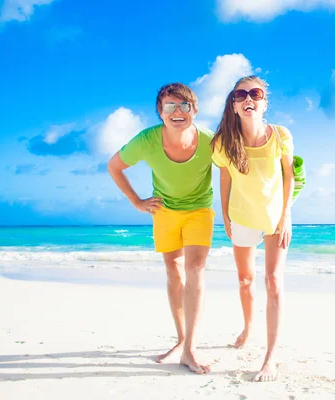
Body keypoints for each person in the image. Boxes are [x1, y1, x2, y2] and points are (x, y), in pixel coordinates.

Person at [107, 83, 214, 374]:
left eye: (184, 106)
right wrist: (137, 202)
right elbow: (114, 166)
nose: (177, 112)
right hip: (164, 211)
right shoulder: (146, 140)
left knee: (195, 269)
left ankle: (190, 348)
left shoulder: (210, 140)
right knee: (174, 272)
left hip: (199, 210)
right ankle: (181, 339)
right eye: (170, 106)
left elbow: (233, 169)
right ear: (160, 112)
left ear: (195, 110)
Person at [211, 75, 295, 382]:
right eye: (241, 94)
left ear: (264, 103)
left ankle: (270, 358)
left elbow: (289, 177)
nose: (249, 98)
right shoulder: (223, 142)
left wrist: (286, 215)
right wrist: (225, 215)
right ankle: (248, 327)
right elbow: (225, 179)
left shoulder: (280, 135)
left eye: (255, 94)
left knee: (273, 281)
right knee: (246, 280)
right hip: (242, 215)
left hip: (275, 217)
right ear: (233, 105)